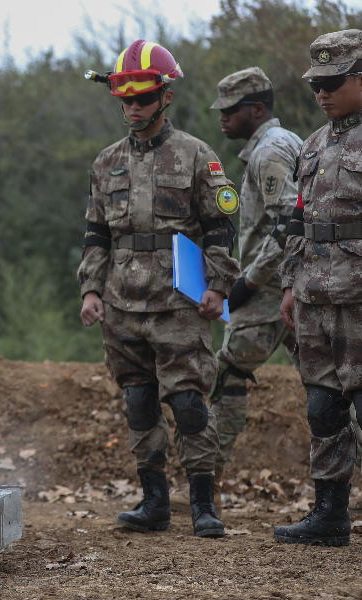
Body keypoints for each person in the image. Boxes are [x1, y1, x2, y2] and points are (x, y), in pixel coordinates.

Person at [79, 39, 240, 538]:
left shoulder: (196, 155)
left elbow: (220, 226)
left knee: (190, 404)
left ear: (165, 96)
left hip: (178, 303)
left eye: (143, 98)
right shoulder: (106, 163)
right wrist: (90, 290)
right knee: (139, 403)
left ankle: (203, 505)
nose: (134, 107)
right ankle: (154, 503)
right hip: (123, 302)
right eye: (125, 98)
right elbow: (95, 232)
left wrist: (218, 285)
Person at [181, 67, 301, 512]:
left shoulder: (269, 152)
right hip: (294, 282)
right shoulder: (286, 142)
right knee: (331, 385)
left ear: (257, 108)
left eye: (231, 110)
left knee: (227, 373)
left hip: (271, 287)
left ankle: (206, 483)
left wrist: (250, 279)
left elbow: (291, 223)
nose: (222, 118)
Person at [274, 29, 362, 547]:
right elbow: (298, 219)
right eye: (316, 86)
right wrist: (289, 284)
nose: (322, 93)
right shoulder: (311, 145)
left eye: (332, 82)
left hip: (359, 295)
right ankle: (330, 516)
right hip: (314, 295)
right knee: (322, 406)